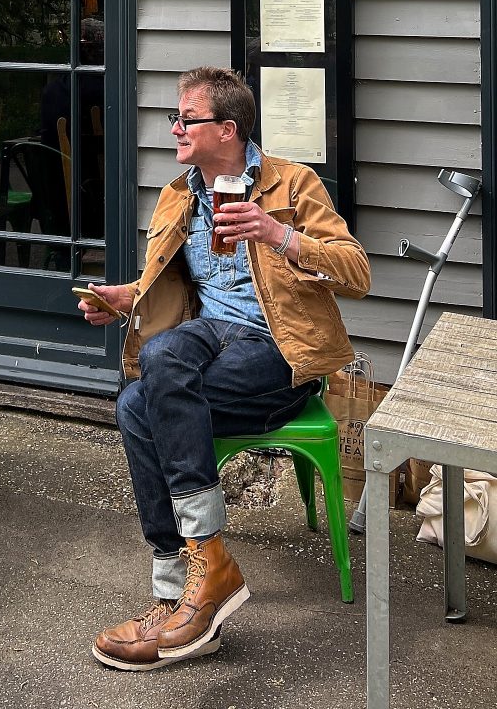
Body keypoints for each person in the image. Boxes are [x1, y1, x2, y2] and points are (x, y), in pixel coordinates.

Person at [80, 66, 370, 671]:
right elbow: (166, 285)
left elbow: (356, 271)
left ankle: (191, 581)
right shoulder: (180, 194)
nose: (175, 129)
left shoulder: (292, 184)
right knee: (145, 384)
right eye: (175, 118)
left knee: (142, 399)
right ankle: (190, 585)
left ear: (228, 129)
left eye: (187, 118)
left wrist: (275, 233)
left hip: (279, 352)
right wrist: (124, 299)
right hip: (209, 337)